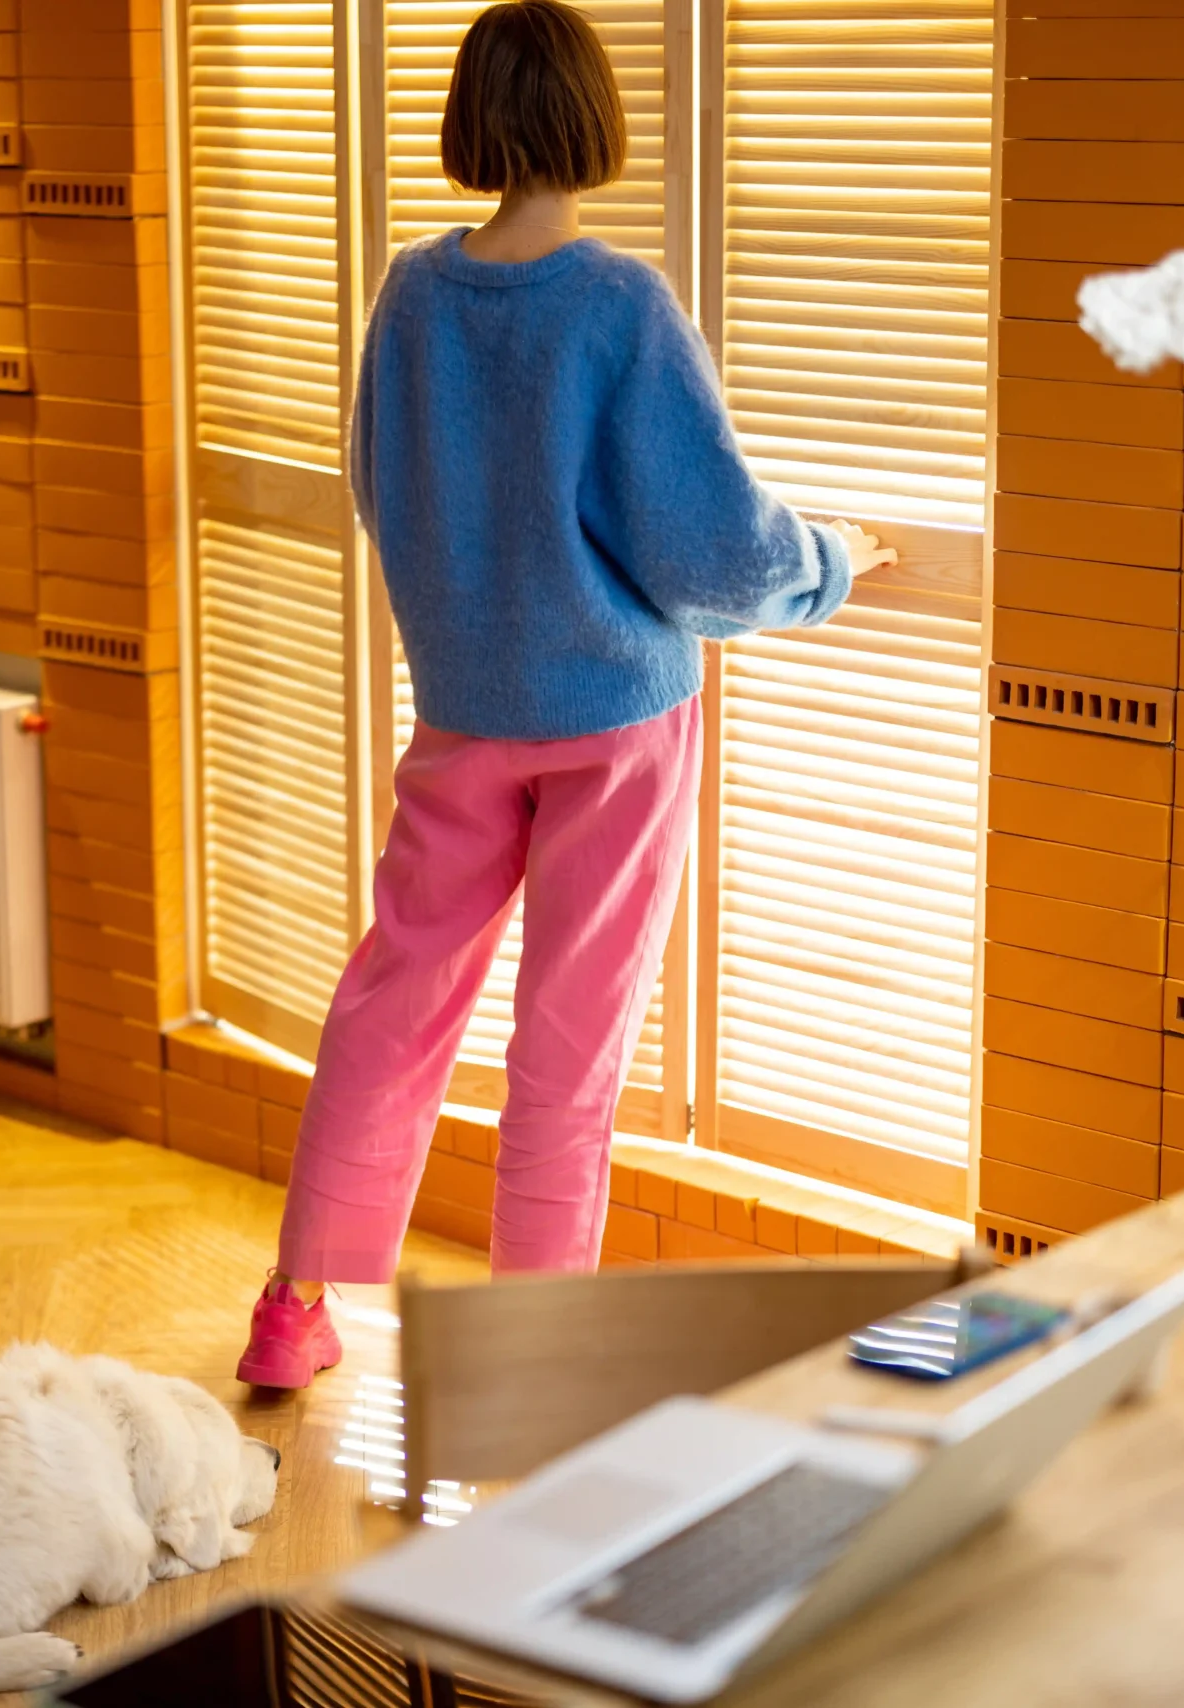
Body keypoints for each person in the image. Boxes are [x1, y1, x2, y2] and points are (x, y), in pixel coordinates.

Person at [234, 0, 894, 1389]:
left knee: (394, 995)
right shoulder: (619, 307)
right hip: (613, 728)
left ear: (472, 119)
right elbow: (717, 549)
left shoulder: (411, 297)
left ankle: (293, 1310)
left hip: (463, 713)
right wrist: (836, 563)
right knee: (568, 1045)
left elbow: (379, 489)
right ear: (594, 119)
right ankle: (534, 1364)